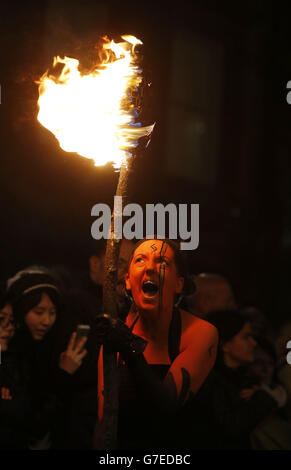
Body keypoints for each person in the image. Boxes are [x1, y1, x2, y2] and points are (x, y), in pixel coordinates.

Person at [95, 238, 218, 449]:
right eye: (140, 260)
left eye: (162, 262)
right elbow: (104, 422)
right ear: (127, 280)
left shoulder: (201, 333)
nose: (150, 268)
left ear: (179, 284)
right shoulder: (115, 337)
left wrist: (129, 347)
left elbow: (165, 405)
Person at [6, 267, 87, 449]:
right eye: (38, 312)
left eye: (52, 312)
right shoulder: (9, 353)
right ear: (20, 310)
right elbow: (32, 422)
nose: (47, 321)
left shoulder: (48, 347)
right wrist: (64, 374)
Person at [205, 310, 282, 449]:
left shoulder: (243, 381)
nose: (253, 343)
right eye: (246, 337)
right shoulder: (211, 384)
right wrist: (263, 398)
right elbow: (230, 428)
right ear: (226, 344)